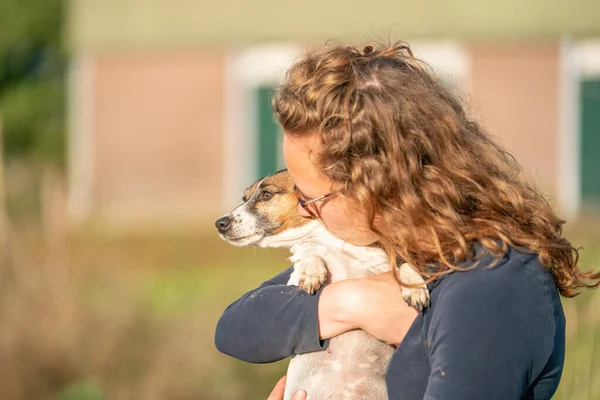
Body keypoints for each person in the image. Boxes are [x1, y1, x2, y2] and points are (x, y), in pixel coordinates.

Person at [214, 42, 600, 400]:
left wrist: (412, 328)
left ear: (376, 185)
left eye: (313, 198)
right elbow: (239, 327)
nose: (303, 212)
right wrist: (354, 301)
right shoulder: (387, 255)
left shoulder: (492, 284)